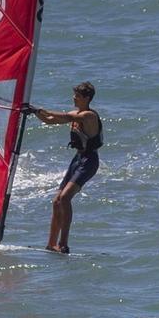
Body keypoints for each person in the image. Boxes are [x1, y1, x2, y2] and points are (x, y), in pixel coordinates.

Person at [28, 81, 102, 254]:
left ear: (87, 98)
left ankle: (63, 243)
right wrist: (33, 112)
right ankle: (51, 244)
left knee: (65, 198)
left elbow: (68, 117)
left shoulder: (89, 116)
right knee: (56, 201)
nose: (74, 98)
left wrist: (41, 109)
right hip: (77, 159)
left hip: (89, 160)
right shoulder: (74, 114)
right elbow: (50, 120)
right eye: (74, 95)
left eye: (77, 96)